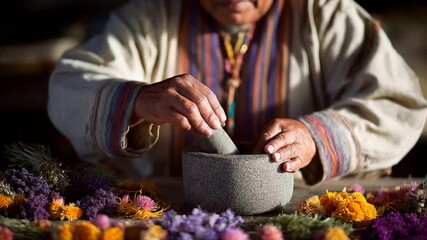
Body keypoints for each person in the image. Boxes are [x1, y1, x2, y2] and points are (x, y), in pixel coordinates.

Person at [47, 0, 427, 185]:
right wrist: (137, 100)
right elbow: (70, 86)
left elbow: (397, 103)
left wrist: (316, 137)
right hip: (164, 216)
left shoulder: (325, 13)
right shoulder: (149, 16)